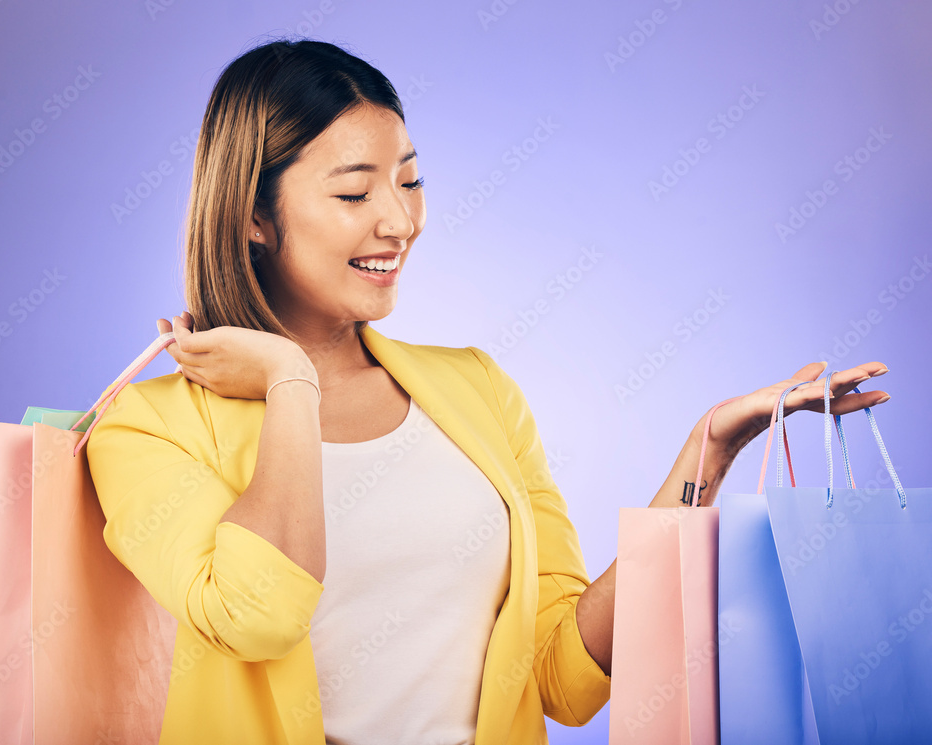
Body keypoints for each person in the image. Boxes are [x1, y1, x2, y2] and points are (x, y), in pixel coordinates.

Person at [84, 37, 891, 745]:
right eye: (355, 192)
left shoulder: (475, 389)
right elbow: (257, 614)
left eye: (410, 181)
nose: (399, 221)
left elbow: (564, 675)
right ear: (256, 214)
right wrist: (289, 381)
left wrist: (707, 449)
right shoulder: (147, 429)